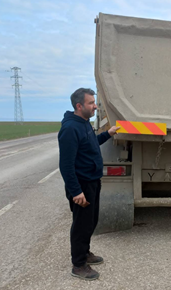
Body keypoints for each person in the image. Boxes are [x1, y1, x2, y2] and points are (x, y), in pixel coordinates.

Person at [58, 88, 120, 280]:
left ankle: (84, 253)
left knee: (90, 221)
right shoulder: (70, 128)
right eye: (91, 103)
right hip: (82, 185)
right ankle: (78, 265)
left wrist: (108, 133)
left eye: (94, 102)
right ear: (79, 106)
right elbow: (66, 165)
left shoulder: (83, 123)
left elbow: (92, 143)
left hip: (92, 181)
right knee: (81, 225)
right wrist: (76, 191)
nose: (95, 106)